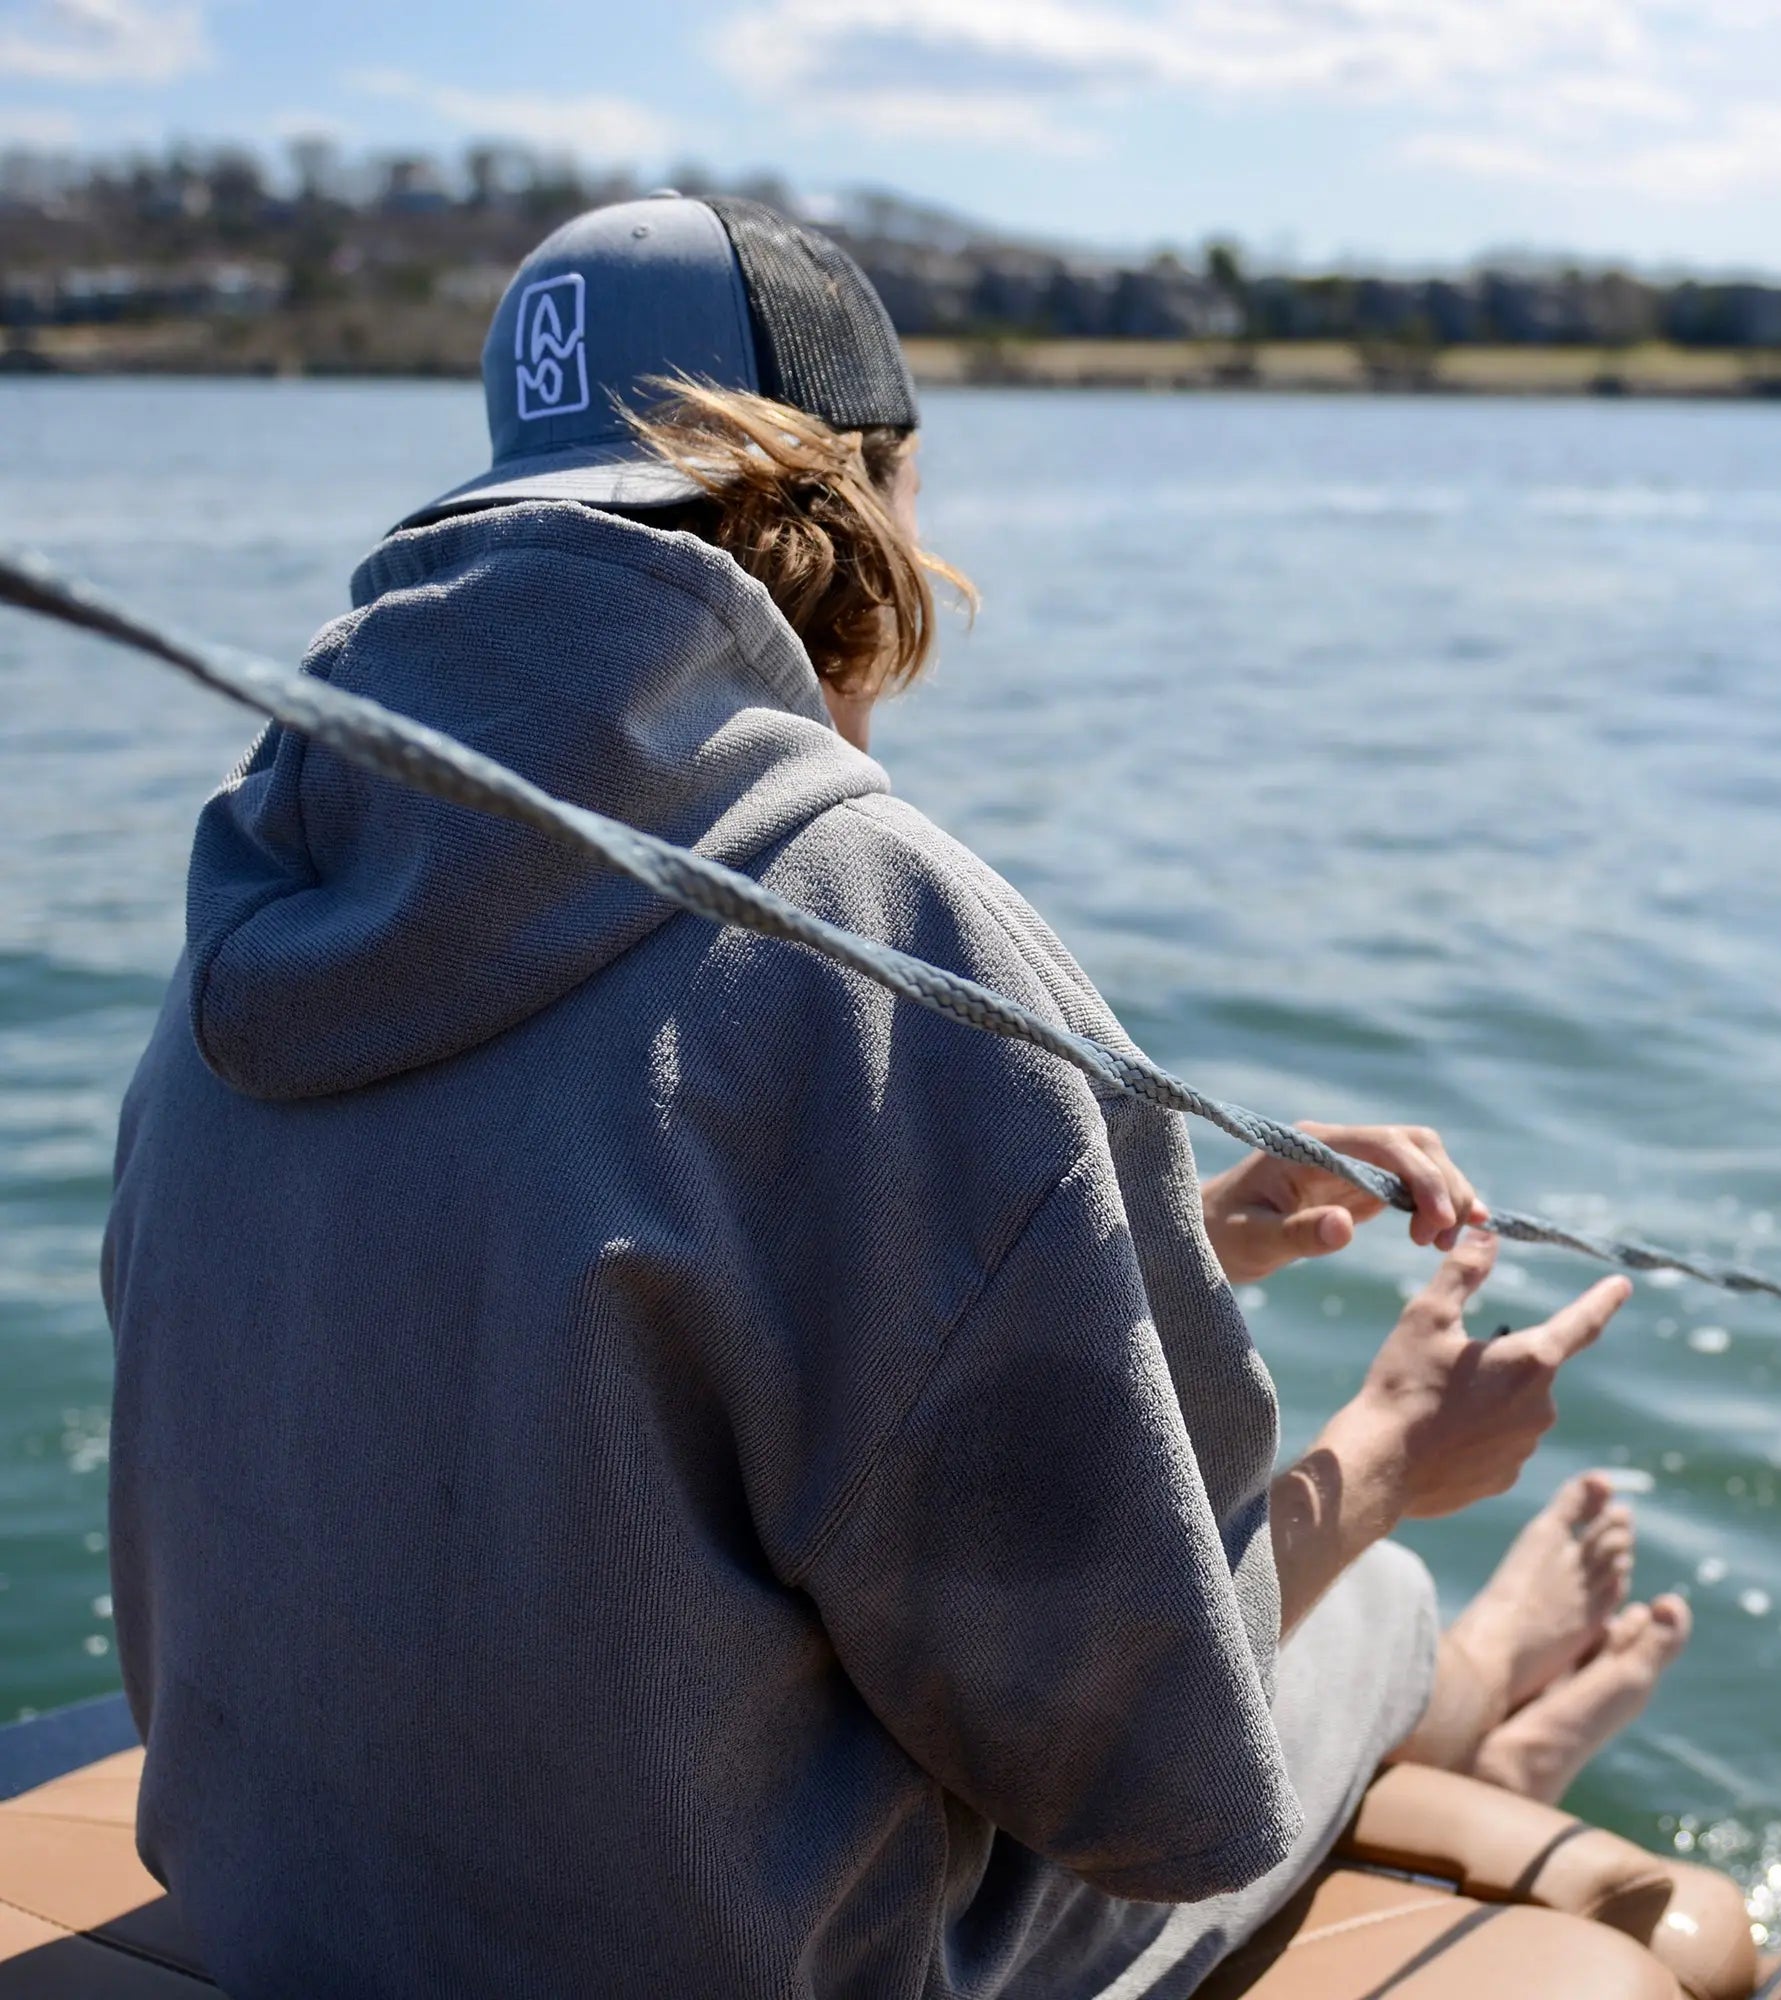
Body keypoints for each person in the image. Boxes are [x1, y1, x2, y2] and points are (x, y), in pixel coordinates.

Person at [102, 192, 1689, 2000]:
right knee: (1367, 1599)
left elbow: (556, 1302)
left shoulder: (271, 901)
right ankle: (1480, 1710)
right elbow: (1144, 1773)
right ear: (857, 506)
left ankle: (1470, 1732)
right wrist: (1400, 1452)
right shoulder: (873, 919)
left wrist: (1148, 1229)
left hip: (272, 1918)